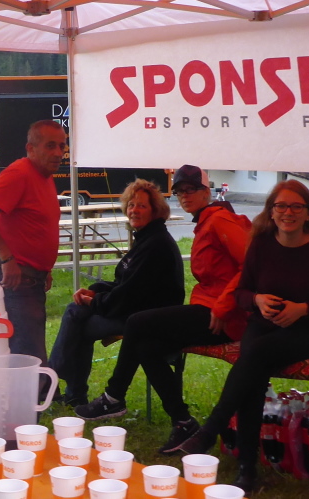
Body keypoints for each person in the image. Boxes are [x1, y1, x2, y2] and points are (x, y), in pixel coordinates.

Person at [74, 164, 251, 455]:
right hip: (207, 309)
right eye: (180, 191)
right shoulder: (205, 222)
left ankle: (113, 396)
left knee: (136, 322)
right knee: (147, 347)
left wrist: (223, 306)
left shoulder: (219, 220)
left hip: (224, 317)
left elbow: (251, 263)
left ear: (206, 192)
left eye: (192, 189)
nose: (185, 195)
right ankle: (183, 422)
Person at [179, 180, 309, 493]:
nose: (288, 212)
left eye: (296, 206)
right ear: (271, 212)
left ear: (308, 213)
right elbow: (242, 292)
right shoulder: (261, 244)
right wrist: (257, 300)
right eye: (281, 206)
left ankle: (212, 431)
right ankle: (247, 467)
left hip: (307, 331)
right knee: (254, 373)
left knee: (254, 354)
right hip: (263, 325)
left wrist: (303, 309)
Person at [48, 179, 185, 407]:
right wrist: (94, 291)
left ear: (155, 211)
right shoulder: (146, 238)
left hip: (145, 319)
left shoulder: (156, 244)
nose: (134, 210)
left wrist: (94, 302)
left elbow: (129, 296)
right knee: (76, 311)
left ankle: (55, 377)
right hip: (131, 309)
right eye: (131, 205)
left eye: (141, 206)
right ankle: (69, 389)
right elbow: (124, 283)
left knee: (79, 321)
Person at [0, 120, 64, 392]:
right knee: (27, 353)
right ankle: (27, 408)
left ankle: (34, 400)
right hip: (18, 280)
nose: (58, 153)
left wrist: (45, 269)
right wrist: (6, 258)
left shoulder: (44, 177)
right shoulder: (19, 173)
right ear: (30, 148)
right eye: (50, 146)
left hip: (33, 278)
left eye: (62, 146)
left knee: (32, 348)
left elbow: (36, 224)